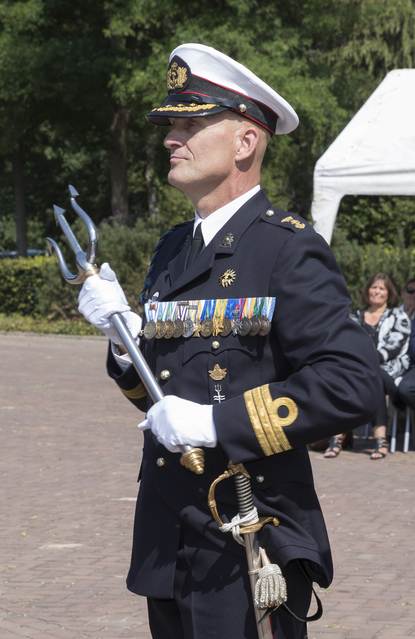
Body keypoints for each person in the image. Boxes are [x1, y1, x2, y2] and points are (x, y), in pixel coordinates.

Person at [78, 43, 380, 639]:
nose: (171, 138)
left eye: (190, 125)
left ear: (245, 142)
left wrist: (218, 423)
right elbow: (164, 395)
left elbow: (354, 383)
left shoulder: (287, 248)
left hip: (247, 534)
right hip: (168, 537)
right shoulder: (173, 249)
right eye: (171, 126)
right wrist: (123, 341)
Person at [324, 273, 410, 460]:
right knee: (349, 376)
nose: (377, 291)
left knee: (373, 375)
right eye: (374, 287)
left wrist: (365, 361)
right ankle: (379, 441)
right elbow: (347, 345)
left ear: (389, 293)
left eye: (382, 288)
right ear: (367, 290)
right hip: (357, 370)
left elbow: (394, 347)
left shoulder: (398, 317)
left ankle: (338, 437)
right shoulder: (354, 317)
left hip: (388, 371)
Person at [396, 278, 415, 409]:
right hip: (391, 365)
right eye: (410, 290)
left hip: (411, 366)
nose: (414, 294)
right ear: (402, 293)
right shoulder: (392, 316)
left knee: (406, 389)